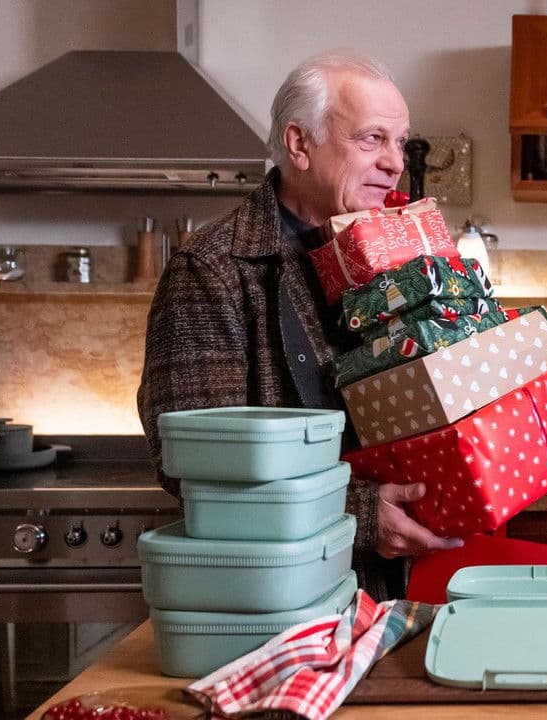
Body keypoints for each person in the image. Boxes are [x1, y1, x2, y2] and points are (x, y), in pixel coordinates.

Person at [137, 50, 462, 602]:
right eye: (372, 139)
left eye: (400, 141)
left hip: (400, 588)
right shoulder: (212, 268)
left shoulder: (392, 257)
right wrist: (360, 513)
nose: (394, 162)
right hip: (281, 601)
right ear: (299, 144)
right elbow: (197, 469)